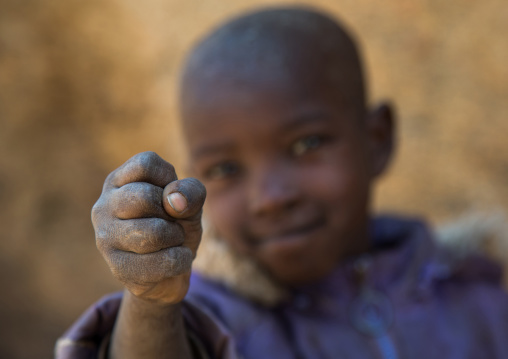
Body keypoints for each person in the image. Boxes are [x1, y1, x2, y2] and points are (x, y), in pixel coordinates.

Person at [55, 6, 508, 359]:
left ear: (377, 140)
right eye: (226, 170)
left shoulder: (478, 283)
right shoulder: (212, 318)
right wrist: (152, 303)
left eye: (306, 144)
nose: (270, 198)